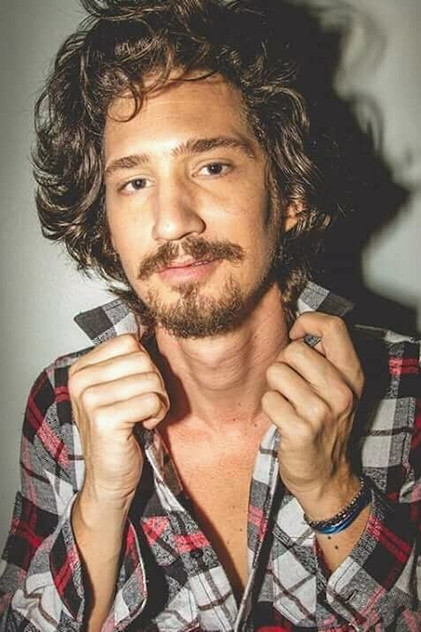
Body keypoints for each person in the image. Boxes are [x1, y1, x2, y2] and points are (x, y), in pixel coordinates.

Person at [0, 0, 419, 630]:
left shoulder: (408, 387)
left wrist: (334, 493)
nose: (172, 221)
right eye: (134, 182)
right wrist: (100, 504)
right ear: (106, 220)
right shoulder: (61, 408)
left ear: (291, 194)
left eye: (212, 166)